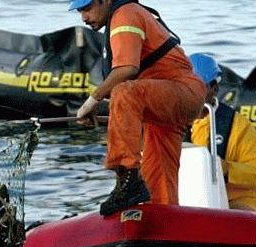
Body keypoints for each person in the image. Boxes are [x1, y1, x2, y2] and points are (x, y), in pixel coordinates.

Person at [69, 0, 206, 216]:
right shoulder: (129, 14)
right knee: (158, 184)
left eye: (87, 9)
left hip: (180, 91)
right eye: (79, 11)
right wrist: (104, 106)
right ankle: (164, 222)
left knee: (124, 92)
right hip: (164, 99)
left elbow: (126, 69)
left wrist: (92, 101)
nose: (84, 18)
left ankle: (127, 179)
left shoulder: (125, 13)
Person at [189, 53, 256, 211]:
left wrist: (226, 169)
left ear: (215, 88)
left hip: (236, 202)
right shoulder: (168, 122)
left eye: (199, 88)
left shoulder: (238, 126)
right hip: (188, 202)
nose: (192, 94)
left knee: (239, 214)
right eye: (187, 87)